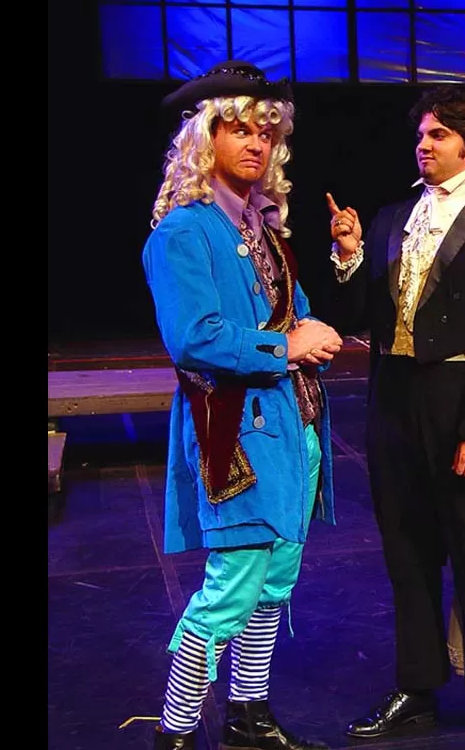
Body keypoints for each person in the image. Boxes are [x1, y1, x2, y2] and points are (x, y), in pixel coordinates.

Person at [325, 87, 465, 749]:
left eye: (439, 135)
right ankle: (416, 687)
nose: (424, 145)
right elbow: (358, 317)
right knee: (407, 553)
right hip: (395, 405)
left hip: (462, 404)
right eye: (421, 135)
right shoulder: (391, 218)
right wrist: (349, 255)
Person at [141, 61, 341, 750]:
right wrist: (288, 346)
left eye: (266, 132)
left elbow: (293, 312)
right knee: (231, 587)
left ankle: (247, 715)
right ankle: (174, 730)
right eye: (239, 130)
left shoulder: (265, 230)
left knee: (274, 581)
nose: (256, 143)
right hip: (237, 434)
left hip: (295, 426)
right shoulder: (183, 232)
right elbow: (194, 338)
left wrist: (310, 331)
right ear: (206, 138)